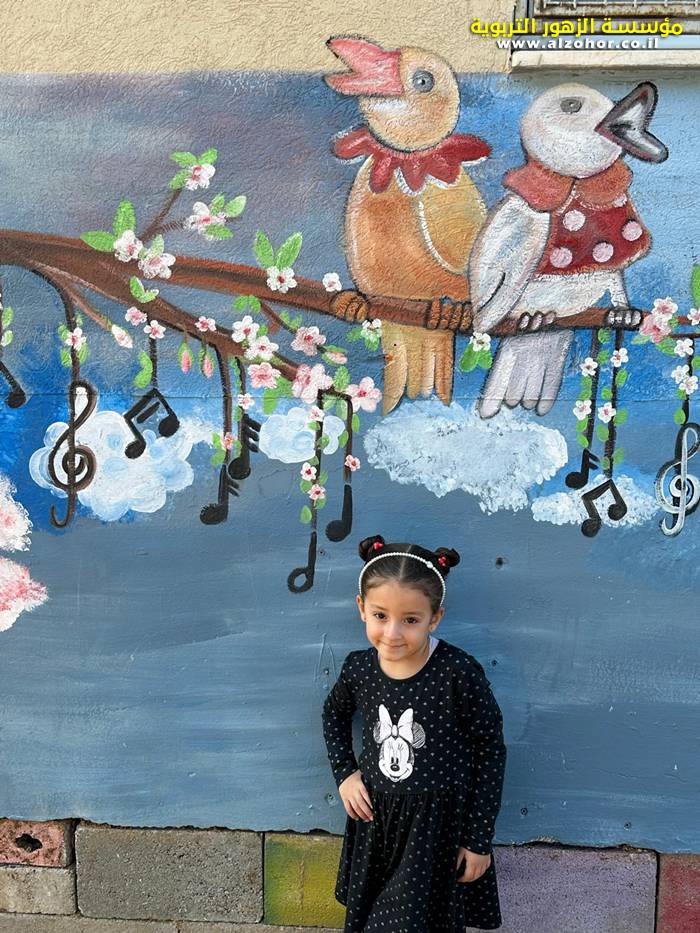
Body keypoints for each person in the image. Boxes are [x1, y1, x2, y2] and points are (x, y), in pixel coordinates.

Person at [322, 534, 507, 932]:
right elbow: (333, 714)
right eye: (380, 615)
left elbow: (490, 750)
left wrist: (478, 839)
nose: (392, 633)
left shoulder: (457, 674)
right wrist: (345, 773)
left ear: (434, 618)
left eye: (410, 620)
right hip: (376, 824)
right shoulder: (359, 670)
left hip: (434, 833)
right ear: (361, 608)